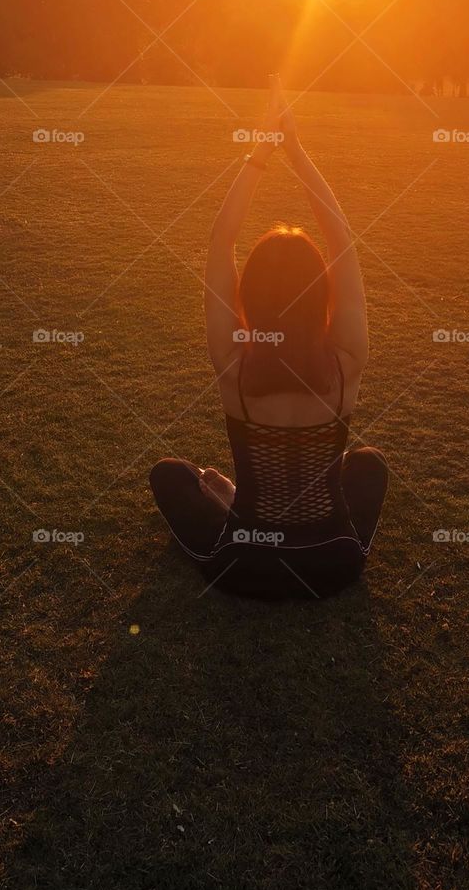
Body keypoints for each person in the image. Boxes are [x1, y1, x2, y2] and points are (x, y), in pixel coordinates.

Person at [150, 77, 388, 599]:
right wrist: (296, 152)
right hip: (334, 564)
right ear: (319, 295)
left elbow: (222, 240)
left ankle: (224, 493)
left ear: (250, 299)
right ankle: (227, 493)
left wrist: (261, 154)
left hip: (243, 565)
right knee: (367, 464)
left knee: (171, 473)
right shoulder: (348, 362)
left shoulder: (233, 365)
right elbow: (341, 238)